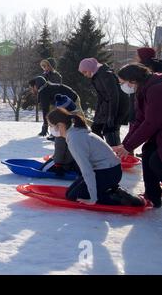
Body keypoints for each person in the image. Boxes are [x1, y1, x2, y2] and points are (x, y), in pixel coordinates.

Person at [47, 107, 144, 207]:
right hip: (109, 170)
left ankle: (122, 199)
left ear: (59, 125)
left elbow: (87, 170)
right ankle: (112, 189)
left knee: (73, 196)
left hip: (108, 173)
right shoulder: (75, 132)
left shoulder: (75, 139)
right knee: (70, 193)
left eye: (51, 126)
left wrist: (93, 198)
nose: (51, 130)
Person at [113, 64, 162, 208]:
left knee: (157, 161)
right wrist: (125, 144)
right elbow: (139, 120)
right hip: (158, 129)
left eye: (122, 82)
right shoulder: (143, 89)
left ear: (132, 80)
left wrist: (128, 146)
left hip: (158, 127)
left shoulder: (156, 89)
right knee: (147, 153)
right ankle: (153, 196)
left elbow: (151, 122)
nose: (122, 86)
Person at [79, 58, 129, 147]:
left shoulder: (105, 75)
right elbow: (101, 97)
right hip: (107, 107)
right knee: (95, 129)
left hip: (118, 107)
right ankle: (102, 151)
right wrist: (97, 115)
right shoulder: (96, 76)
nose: (85, 75)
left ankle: (116, 154)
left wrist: (111, 116)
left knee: (109, 131)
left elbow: (114, 96)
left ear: (90, 68)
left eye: (85, 72)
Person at [40, 94, 80, 176]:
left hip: (62, 164)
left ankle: (45, 169)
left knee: (43, 169)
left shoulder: (61, 132)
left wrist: (58, 165)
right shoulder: (75, 127)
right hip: (72, 163)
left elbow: (59, 150)